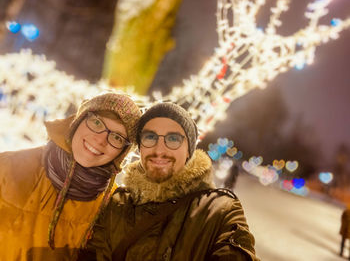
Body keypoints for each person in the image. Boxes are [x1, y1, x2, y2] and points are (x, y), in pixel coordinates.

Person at [78, 102, 259, 261]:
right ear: (139, 148)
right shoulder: (117, 205)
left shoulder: (220, 210)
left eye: (173, 139)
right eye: (150, 137)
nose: (160, 149)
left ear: (189, 150)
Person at [0, 92, 141, 261]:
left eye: (117, 137)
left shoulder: (114, 208)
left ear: (123, 152)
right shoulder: (8, 166)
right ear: (77, 121)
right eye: (96, 123)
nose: (100, 140)